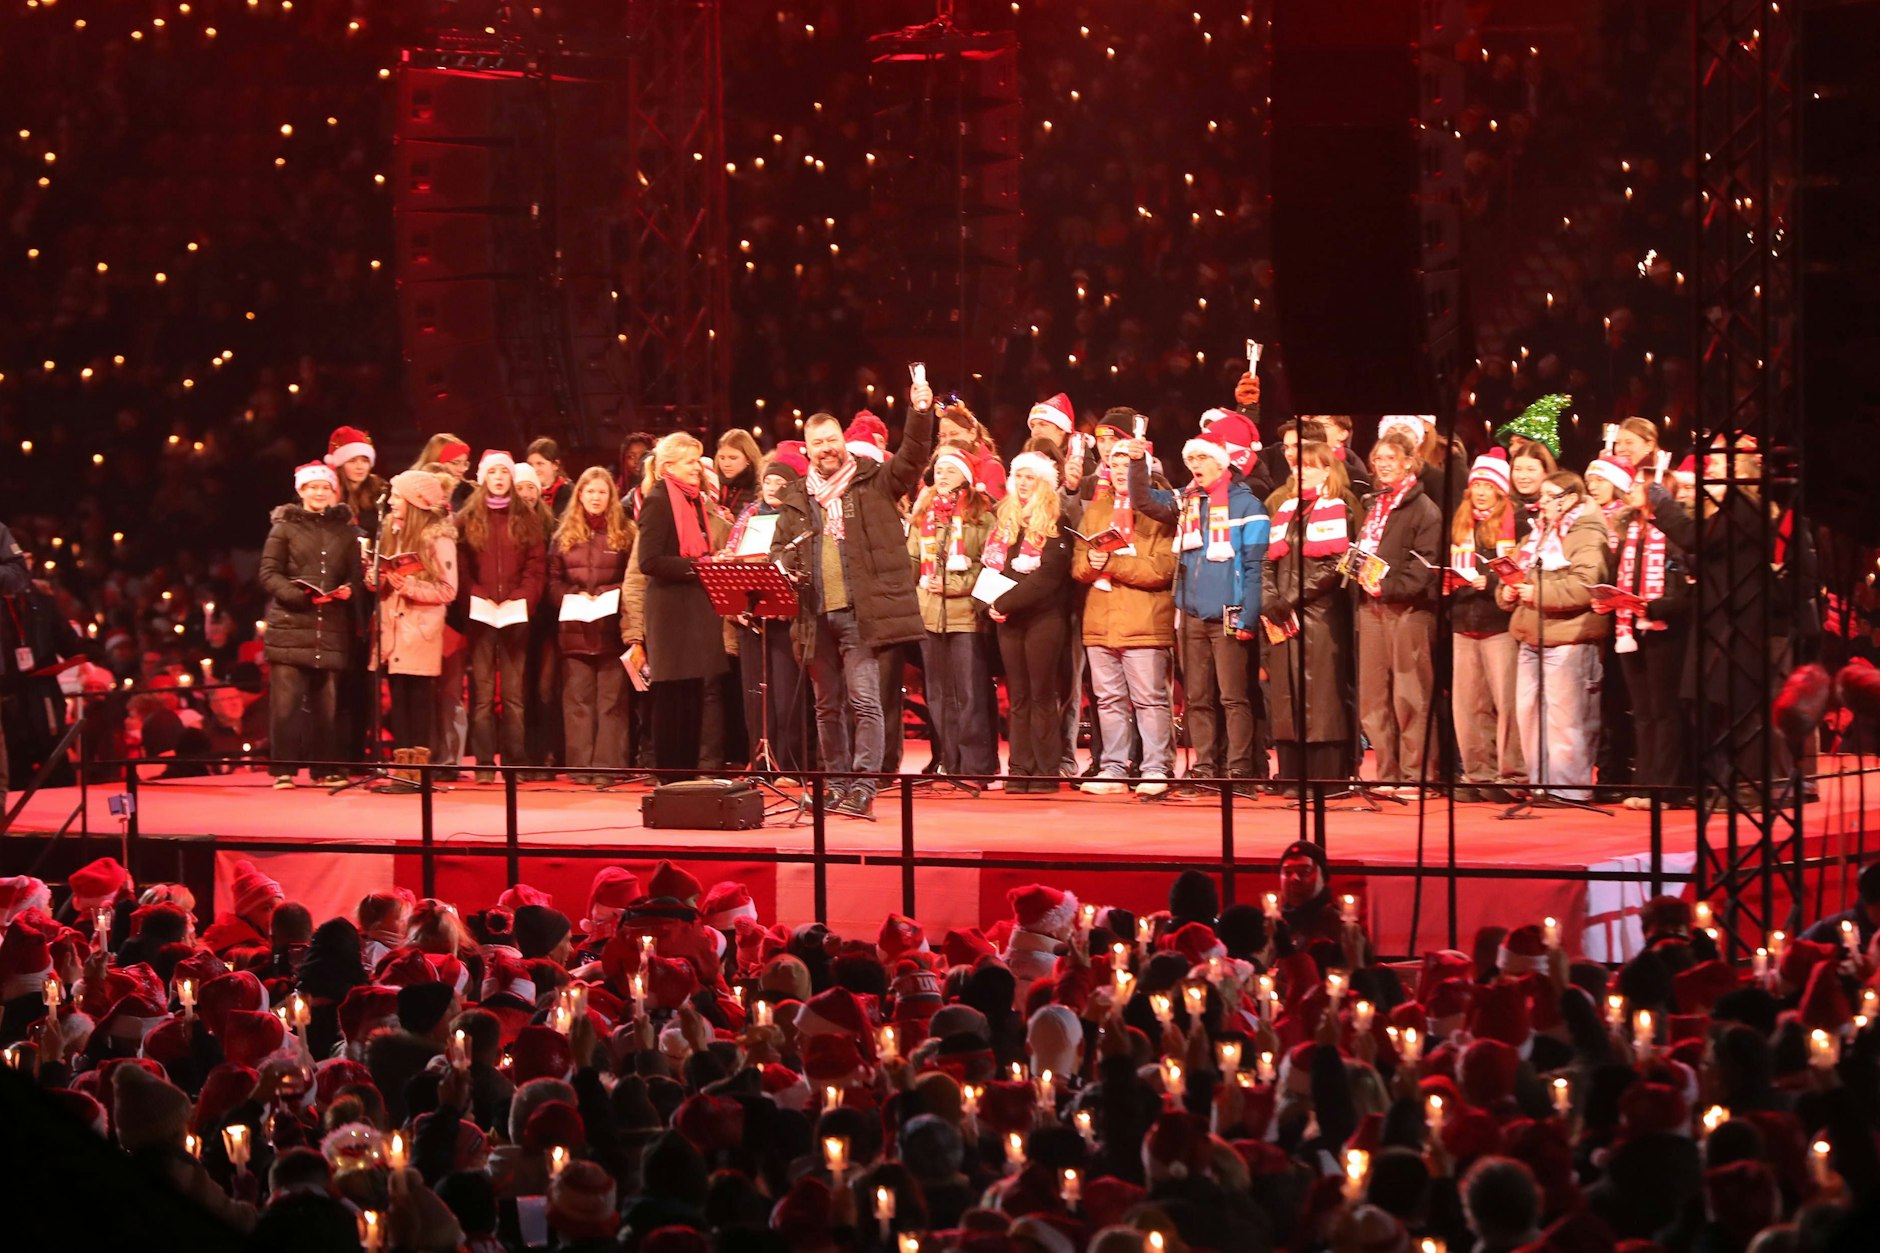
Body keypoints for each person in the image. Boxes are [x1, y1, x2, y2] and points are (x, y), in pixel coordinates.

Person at [770, 386, 934, 818]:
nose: (827, 450)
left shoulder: (874, 479)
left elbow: (915, 456)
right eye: (819, 444)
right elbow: (780, 550)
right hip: (814, 615)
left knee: (865, 703)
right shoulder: (797, 498)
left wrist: (920, 411)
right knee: (826, 707)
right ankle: (835, 784)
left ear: (843, 443)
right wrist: (784, 567)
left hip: (861, 616)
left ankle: (864, 785)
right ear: (808, 450)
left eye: (832, 442)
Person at [1142, 430, 1270, 795]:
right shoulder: (1186, 501)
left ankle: (1240, 770)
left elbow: (1255, 568)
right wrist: (1138, 463)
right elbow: (1144, 500)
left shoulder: (1249, 506)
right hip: (1192, 615)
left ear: (1221, 462)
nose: (1195, 466)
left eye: (1202, 459)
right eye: (1191, 460)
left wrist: (1249, 616)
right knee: (1197, 698)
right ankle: (1204, 767)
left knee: (1233, 696)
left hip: (1230, 614)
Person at [1072, 442, 1177, 796]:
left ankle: (1155, 769)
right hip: (1100, 623)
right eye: (1113, 465)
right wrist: (1092, 565)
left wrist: (1113, 564)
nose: (1119, 471)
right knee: (1108, 701)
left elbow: (1162, 568)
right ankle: (1113, 769)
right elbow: (1078, 565)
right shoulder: (1097, 511)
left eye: (1126, 465)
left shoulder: (1160, 511)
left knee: (1150, 700)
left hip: (1145, 621)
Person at [1500, 471, 1612, 801]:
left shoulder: (1587, 532)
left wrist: (1535, 593)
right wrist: (1505, 592)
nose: (1543, 502)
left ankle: (1569, 791)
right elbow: (1515, 569)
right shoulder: (1540, 531)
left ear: (1571, 499)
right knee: (1530, 715)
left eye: (1551, 497)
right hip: (1531, 635)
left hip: (1569, 638)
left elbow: (1584, 585)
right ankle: (1541, 785)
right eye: (1543, 497)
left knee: (1567, 719)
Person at [1262, 441, 1360, 799]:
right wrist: (1270, 598)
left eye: (1310, 466)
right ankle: (1293, 775)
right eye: (1298, 466)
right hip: (1284, 617)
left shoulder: (1339, 507)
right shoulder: (1286, 509)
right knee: (1288, 695)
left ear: (1327, 471)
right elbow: (1268, 560)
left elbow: (1337, 565)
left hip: (1320, 617)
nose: (1301, 472)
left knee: (1321, 699)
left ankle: (1326, 779)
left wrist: (1292, 597)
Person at [258, 462, 363, 789]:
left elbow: (354, 575)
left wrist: (348, 589)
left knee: (326, 706)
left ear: (333, 492)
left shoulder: (345, 531)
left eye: (325, 488)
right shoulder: (283, 529)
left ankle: (325, 768)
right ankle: (283, 770)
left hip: (330, 626)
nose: (319, 493)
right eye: (312, 487)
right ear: (301, 490)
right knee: (286, 705)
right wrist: (299, 597)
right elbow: (269, 574)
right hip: (291, 625)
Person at [632, 433, 729, 779]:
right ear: (668, 466)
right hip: (671, 612)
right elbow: (650, 561)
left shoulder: (693, 501)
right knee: (672, 696)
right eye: (690, 462)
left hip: (693, 608)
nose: (697, 469)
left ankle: (686, 776)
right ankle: (671, 777)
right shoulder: (659, 499)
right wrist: (701, 567)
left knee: (692, 693)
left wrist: (712, 561)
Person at [1353, 426, 1442, 791]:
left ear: (1410, 463)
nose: (1384, 464)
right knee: (1373, 698)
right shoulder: (1375, 505)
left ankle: (1417, 774)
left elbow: (1424, 567)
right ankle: (1387, 772)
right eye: (1379, 459)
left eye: (1392, 459)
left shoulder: (1424, 509)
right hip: (1370, 608)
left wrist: (1387, 586)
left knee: (1410, 695)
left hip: (1408, 611)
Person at [907, 444, 999, 781]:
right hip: (929, 615)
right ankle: (950, 761)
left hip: (966, 617)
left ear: (965, 476)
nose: (941, 475)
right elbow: (912, 562)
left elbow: (989, 565)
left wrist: (953, 584)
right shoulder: (923, 516)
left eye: (949, 469)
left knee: (970, 693)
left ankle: (977, 767)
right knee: (938, 694)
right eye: (938, 470)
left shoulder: (983, 516)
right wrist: (918, 588)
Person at [983, 450, 1073, 793]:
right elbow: (994, 566)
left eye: (1030, 477)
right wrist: (989, 603)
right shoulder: (1005, 517)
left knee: (1040, 695)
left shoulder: (1056, 519)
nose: (1022, 483)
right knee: (1017, 696)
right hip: (1008, 619)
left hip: (1043, 619)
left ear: (1043, 484)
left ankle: (1045, 771)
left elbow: (1048, 577)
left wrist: (1003, 602)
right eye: (1018, 476)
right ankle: (1019, 768)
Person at [454, 452, 547, 785]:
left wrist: (521, 598)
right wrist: (475, 595)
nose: (497, 477)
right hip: (480, 616)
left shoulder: (527, 519)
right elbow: (461, 568)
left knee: (513, 695)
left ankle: (515, 762)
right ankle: (482, 763)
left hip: (514, 616)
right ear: (483, 478)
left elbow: (536, 568)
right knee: (481, 695)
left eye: (503, 472)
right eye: (491, 472)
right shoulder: (467, 518)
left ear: (511, 478)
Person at [367, 469, 460, 788]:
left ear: (414, 501)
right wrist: (376, 578)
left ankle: (417, 774)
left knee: (418, 702)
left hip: (420, 632)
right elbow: (379, 576)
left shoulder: (438, 537)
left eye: (397, 495)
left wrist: (409, 586)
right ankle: (400, 772)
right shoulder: (389, 532)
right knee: (399, 701)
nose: (391, 501)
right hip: (392, 633)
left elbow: (448, 590)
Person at [1448, 449, 1526, 802]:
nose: (1480, 491)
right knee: (1468, 705)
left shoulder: (1517, 520)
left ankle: (1511, 776)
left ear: (1500, 490)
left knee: (1506, 704)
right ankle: (1477, 773)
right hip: (1464, 621)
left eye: (1487, 485)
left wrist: (1490, 583)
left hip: (1500, 625)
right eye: (1476, 484)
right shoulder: (1462, 521)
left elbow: (1521, 571)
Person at [551, 467, 635, 786]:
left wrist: (607, 594)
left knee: (611, 702)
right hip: (574, 629)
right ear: (580, 495)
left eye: (601, 492)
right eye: (590, 492)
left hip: (611, 629)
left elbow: (631, 579)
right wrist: (571, 597)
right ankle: (580, 767)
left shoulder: (625, 532)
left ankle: (608, 767)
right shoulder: (563, 535)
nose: (596, 497)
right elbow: (552, 581)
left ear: (610, 497)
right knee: (577, 701)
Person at [731, 450, 810, 778]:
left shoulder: (798, 517)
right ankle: (760, 759)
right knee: (755, 693)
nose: (773, 487)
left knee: (785, 692)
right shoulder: (748, 515)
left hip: (786, 617)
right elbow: (733, 559)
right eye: (768, 481)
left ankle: (789, 762)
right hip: (751, 616)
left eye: (781, 482)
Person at [324, 426, 385, 763]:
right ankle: (335, 754)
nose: (360, 466)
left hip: (369, 600)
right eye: (353, 460)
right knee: (338, 681)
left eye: (365, 460)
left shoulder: (381, 497)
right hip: (336, 599)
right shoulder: (325, 495)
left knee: (365, 680)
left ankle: (360, 751)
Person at [513, 462, 564, 779]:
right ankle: (525, 756)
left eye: (531, 487)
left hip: (547, 618)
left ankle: (547, 755)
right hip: (517, 618)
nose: (526, 493)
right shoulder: (506, 525)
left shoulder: (551, 526)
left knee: (547, 688)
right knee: (521, 690)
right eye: (520, 487)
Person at [714, 429, 763, 517]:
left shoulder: (760, 487)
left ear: (748, 458)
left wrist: (735, 523)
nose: (726, 464)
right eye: (722, 458)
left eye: (733, 458)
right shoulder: (714, 483)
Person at [524, 437, 575, 516]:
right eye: (531, 464)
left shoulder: (570, 494)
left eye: (540, 464)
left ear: (555, 465)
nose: (534, 469)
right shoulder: (525, 494)